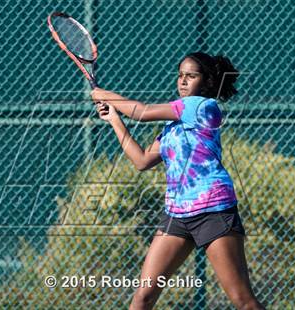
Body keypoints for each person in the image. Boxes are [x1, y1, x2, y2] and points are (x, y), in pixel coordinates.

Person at [91, 52, 265, 310]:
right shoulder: (173, 127)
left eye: (191, 76)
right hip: (177, 215)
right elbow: (141, 161)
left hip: (213, 210)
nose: (183, 81)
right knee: (143, 297)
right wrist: (114, 119)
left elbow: (142, 112)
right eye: (180, 75)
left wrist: (104, 94)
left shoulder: (202, 106)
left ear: (205, 82)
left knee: (243, 301)